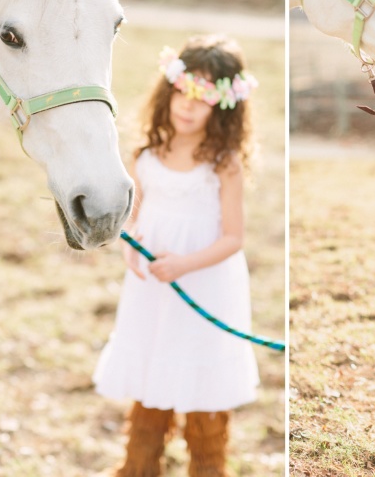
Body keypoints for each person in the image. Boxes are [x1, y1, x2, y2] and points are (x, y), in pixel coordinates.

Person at [93, 34, 260, 477]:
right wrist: (132, 247)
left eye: (201, 100)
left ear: (223, 107)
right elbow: (133, 219)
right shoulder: (146, 153)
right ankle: (139, 465)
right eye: (181, 94)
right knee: (152, 369)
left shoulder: (222, 162)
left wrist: (184, 264)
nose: (187, 107)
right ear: (168, 91)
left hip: (204, 282)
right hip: (152, 287)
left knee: (199, 376)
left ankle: (207, 466)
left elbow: (233, 238)